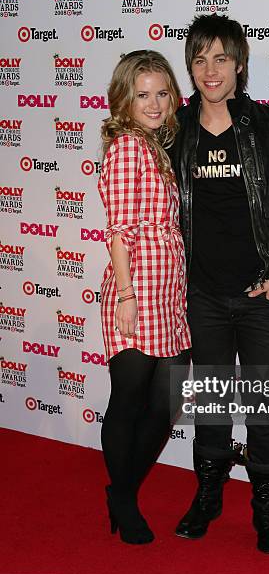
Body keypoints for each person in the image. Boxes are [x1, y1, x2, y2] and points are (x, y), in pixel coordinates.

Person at [170, 15, 269, 554]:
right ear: (190, 66)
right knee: (209, 404)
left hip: (259, 297)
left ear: (239, 65)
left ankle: (267, 511)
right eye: (200, 58)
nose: (211, 70)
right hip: (201, 295)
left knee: (265, 408)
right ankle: (208, 497)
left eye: (221, 58)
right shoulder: (174, 132)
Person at [98, 50, 191, 545]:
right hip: (137, 288)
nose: (154, 103)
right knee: (129, 401)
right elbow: (119, 231)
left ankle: (121, 492)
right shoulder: (127, 149)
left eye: (161, 93)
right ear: (124, 99)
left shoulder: (156, 145)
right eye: (142, 94)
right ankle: (126, 501)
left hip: (169, 289)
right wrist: (128, 295)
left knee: (168, 398)